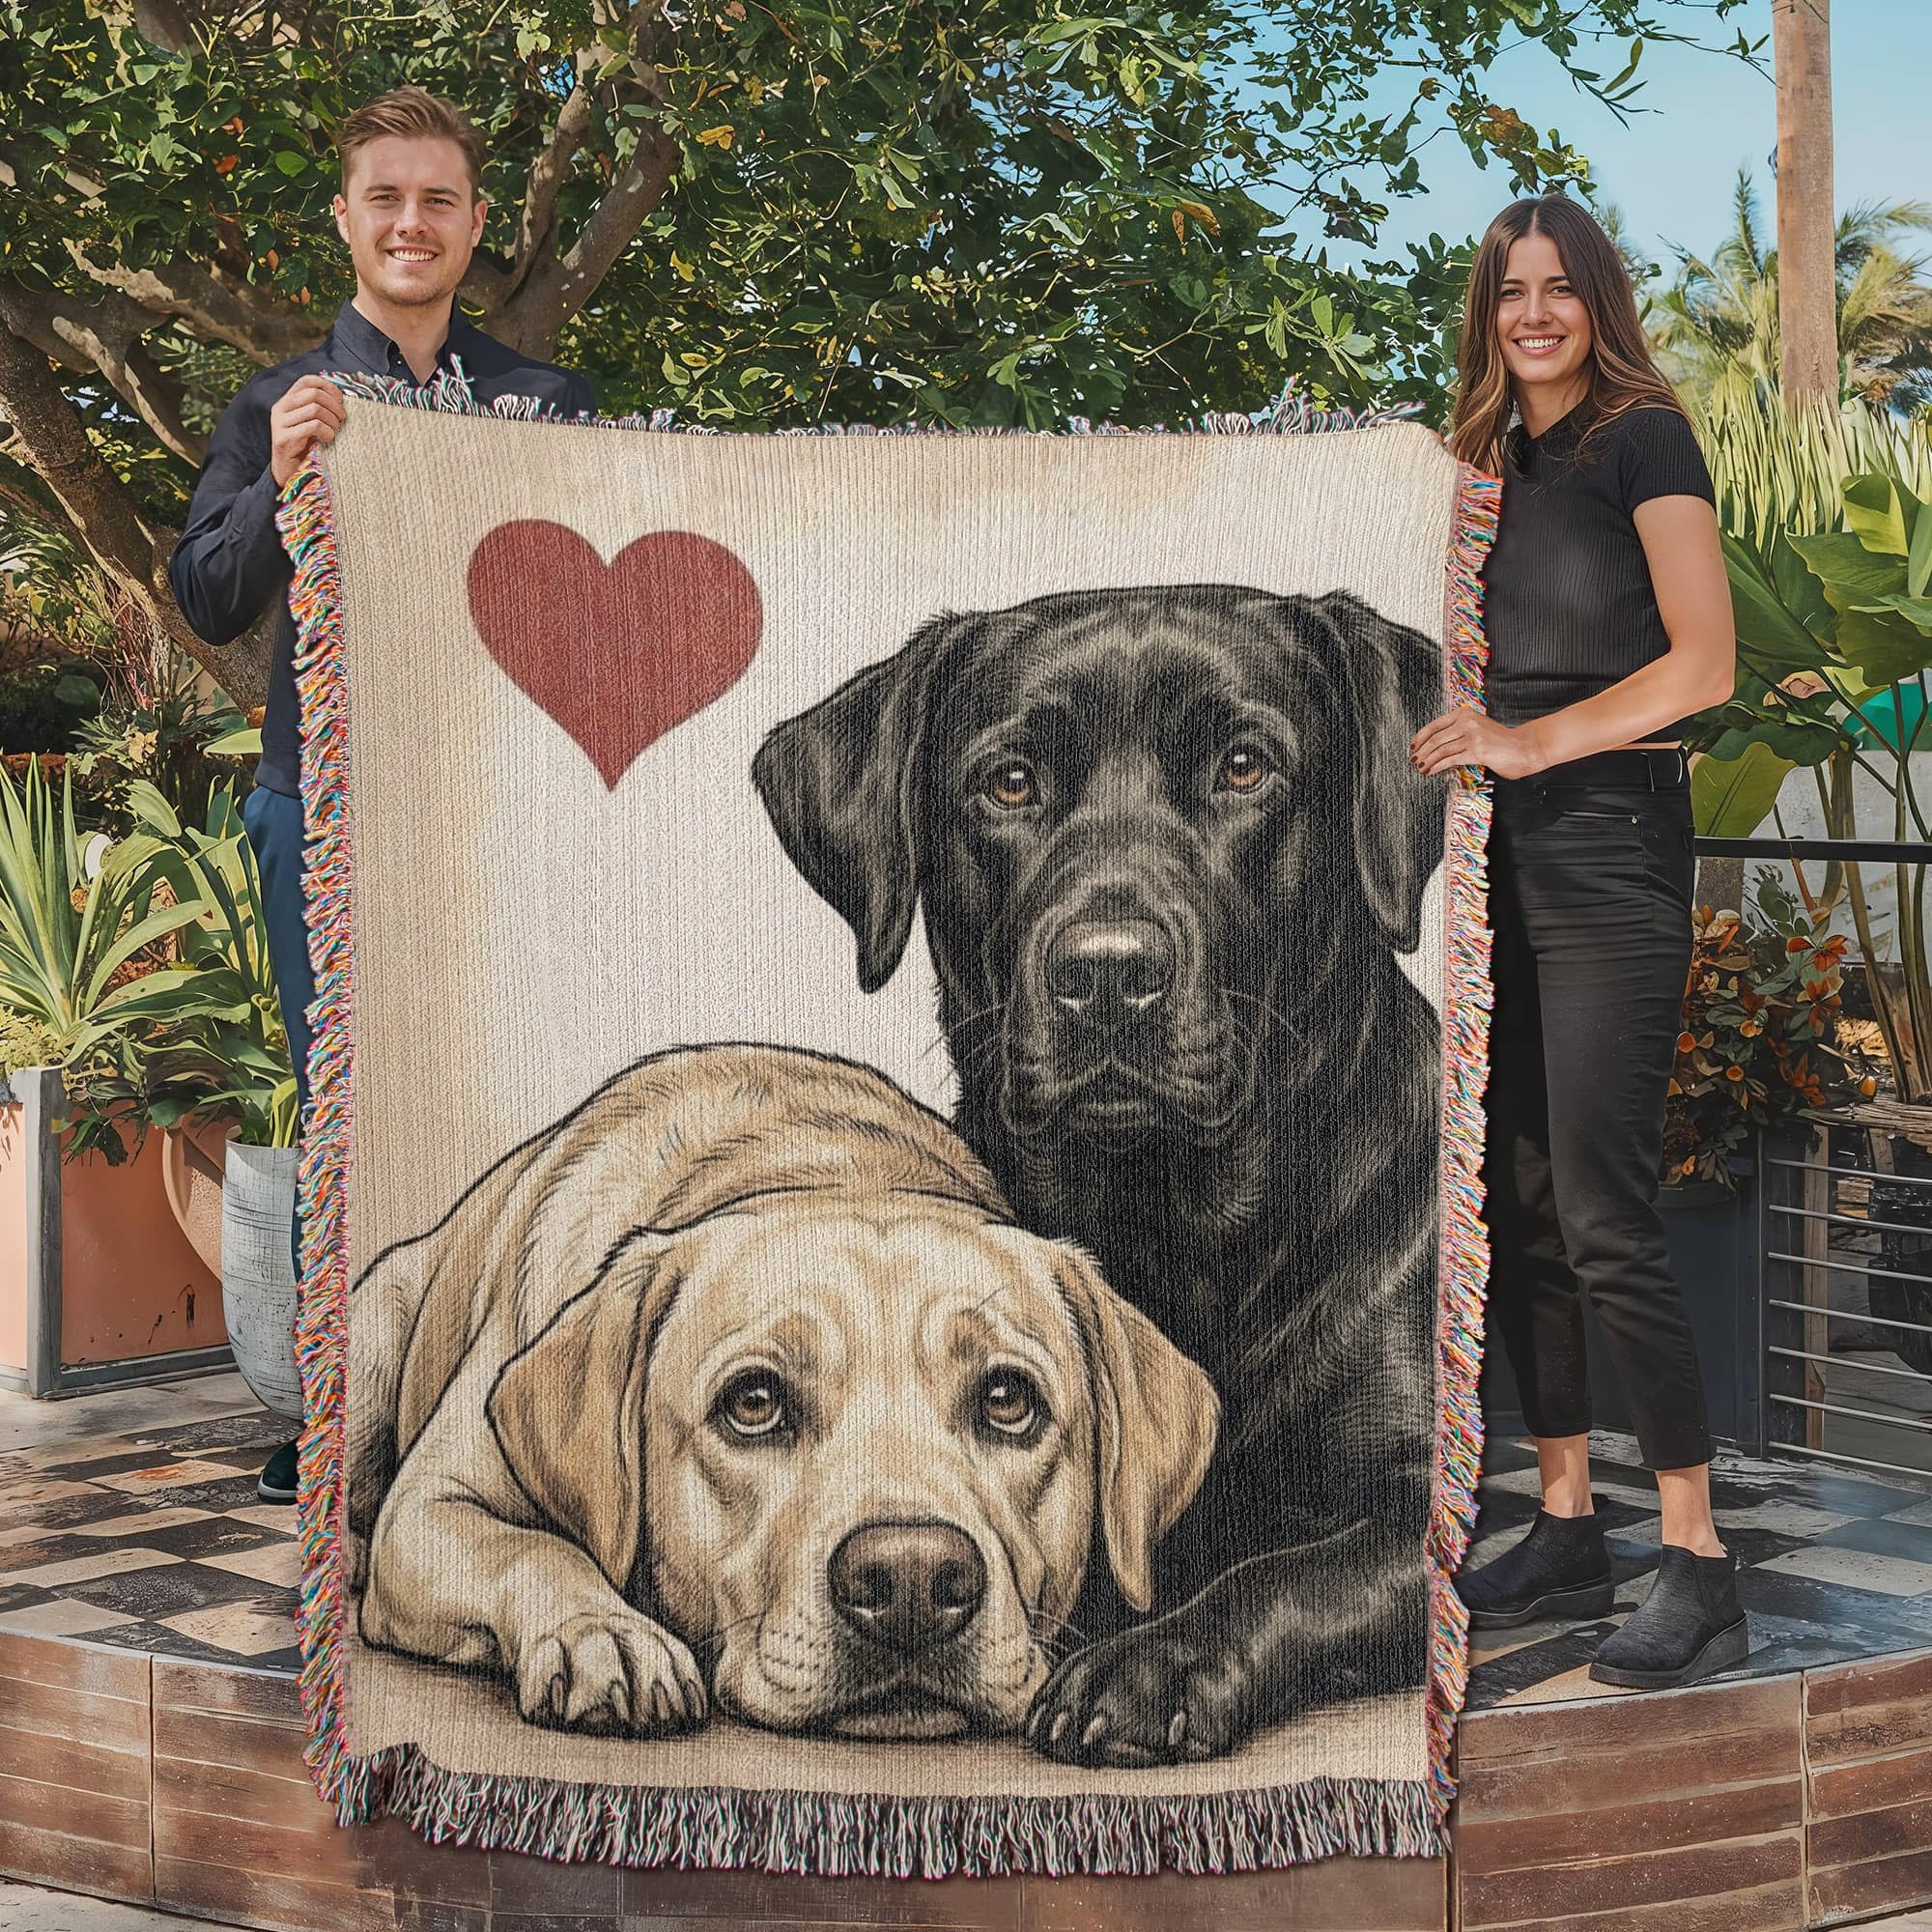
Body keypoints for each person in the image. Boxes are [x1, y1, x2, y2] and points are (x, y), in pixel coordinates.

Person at [169, 86, 595, 1505]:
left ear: (477, 226)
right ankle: (340, 1415)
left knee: (503, 1105)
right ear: (347, 220)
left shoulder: (546, 411)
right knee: (345, 1109)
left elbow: (595, 617)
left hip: (494, 817)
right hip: (327, 808)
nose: (411, 224)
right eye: (385, 199)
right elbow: (209, 598)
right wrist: (280, 479)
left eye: (438, 201)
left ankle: (495, 1414)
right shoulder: (283, 403)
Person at [1409, 195, 1744, 1690]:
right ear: (1485, 314)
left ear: (1597, 297)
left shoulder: (1644, 436)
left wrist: (1535, 744)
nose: (1532, 314)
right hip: (1495, 857)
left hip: (1611, 849)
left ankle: (1697, 1557)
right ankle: (1563, 1518)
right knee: (1521, 1203)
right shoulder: (1482, 463)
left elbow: (1707, 661)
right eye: (1508, 293)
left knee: (1605, 1207)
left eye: (1558, 288)